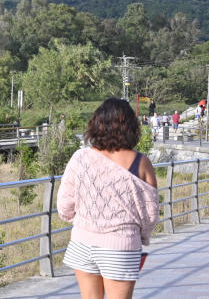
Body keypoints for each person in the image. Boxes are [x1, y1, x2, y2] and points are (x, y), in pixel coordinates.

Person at [58, 98, 159, 299]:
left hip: (83, 242)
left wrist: (88, 222)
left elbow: (64, 207)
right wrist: (140, 235)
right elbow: (150, 216)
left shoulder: (80, 158)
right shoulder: (141, 163)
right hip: (121, 247)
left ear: (96, 125)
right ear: (131, 127)